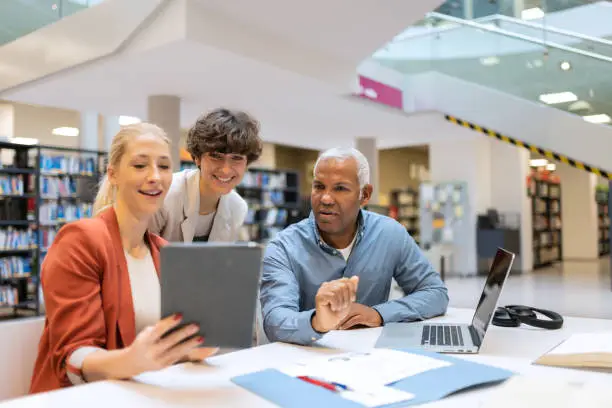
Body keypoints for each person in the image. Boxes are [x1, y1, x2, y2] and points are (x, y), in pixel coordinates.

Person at [29, 123, 214, 394]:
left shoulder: (165, 252)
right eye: (140, 166)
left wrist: (192, 348)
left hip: (143, 394)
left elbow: (163, 345)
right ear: (113, 174)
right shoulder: (80, 240)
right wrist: (132, 361)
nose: (155, 177)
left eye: (164, 167)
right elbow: (74, 356)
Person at [259, 147, 449, 345]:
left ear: (365, 195)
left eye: (340, 188)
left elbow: (435, 293)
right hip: (306, 359)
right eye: (319, 186)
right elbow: (275, 320)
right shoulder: (283, 248)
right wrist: (317, 321)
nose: (325, 198)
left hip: (373, 360)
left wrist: (378, 314)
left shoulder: (390, 234)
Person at [149, 108, 263, 242]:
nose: (226, 170)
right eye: (215, 156)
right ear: (197, 158)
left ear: (246, 163)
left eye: (236, 158)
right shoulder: (165, 194)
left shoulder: (237, 208)